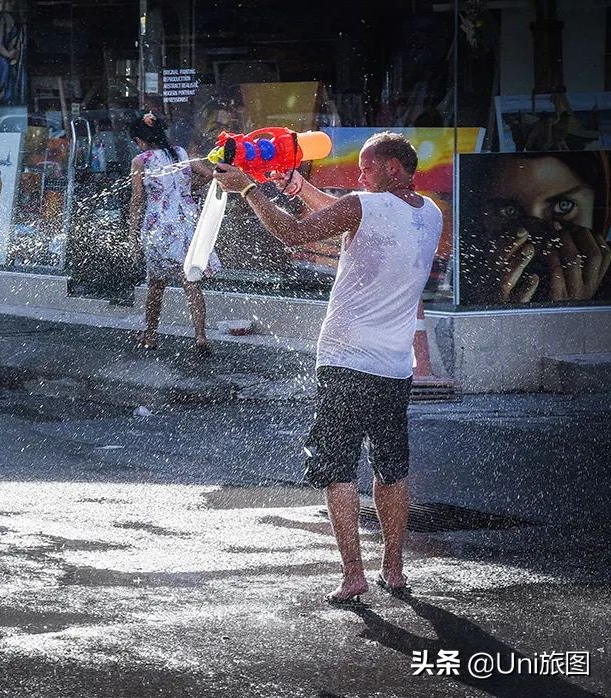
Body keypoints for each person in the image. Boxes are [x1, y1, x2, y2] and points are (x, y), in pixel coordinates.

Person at [213, 132, 443, 604]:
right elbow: (355, 224)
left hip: (344, 360)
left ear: (393, 170)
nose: (358, 177)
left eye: (367, 168)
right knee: (391, 469)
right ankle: (394, 571)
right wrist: (298, 191)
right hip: (394, 366)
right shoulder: (429, 214)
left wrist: (249, 190)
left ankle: (353, 575)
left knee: (338, 468)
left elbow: (296, 233)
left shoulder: (364, 206)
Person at [459, 151, 611, 305]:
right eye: (509, 211)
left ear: (600, 210)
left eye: (563, 206)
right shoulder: (457, 283)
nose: (536, 234)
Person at [128, 112, 221, 353]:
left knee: (156, 285)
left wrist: (131, 234)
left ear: (140, 140)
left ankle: (150, 337)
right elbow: (212, 175)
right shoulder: (181, 153)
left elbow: (137, 200)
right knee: (191, 282)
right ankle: (200, 336)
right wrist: (190, 190)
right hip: (187, 224)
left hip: (159, 226)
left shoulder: (141, 160)